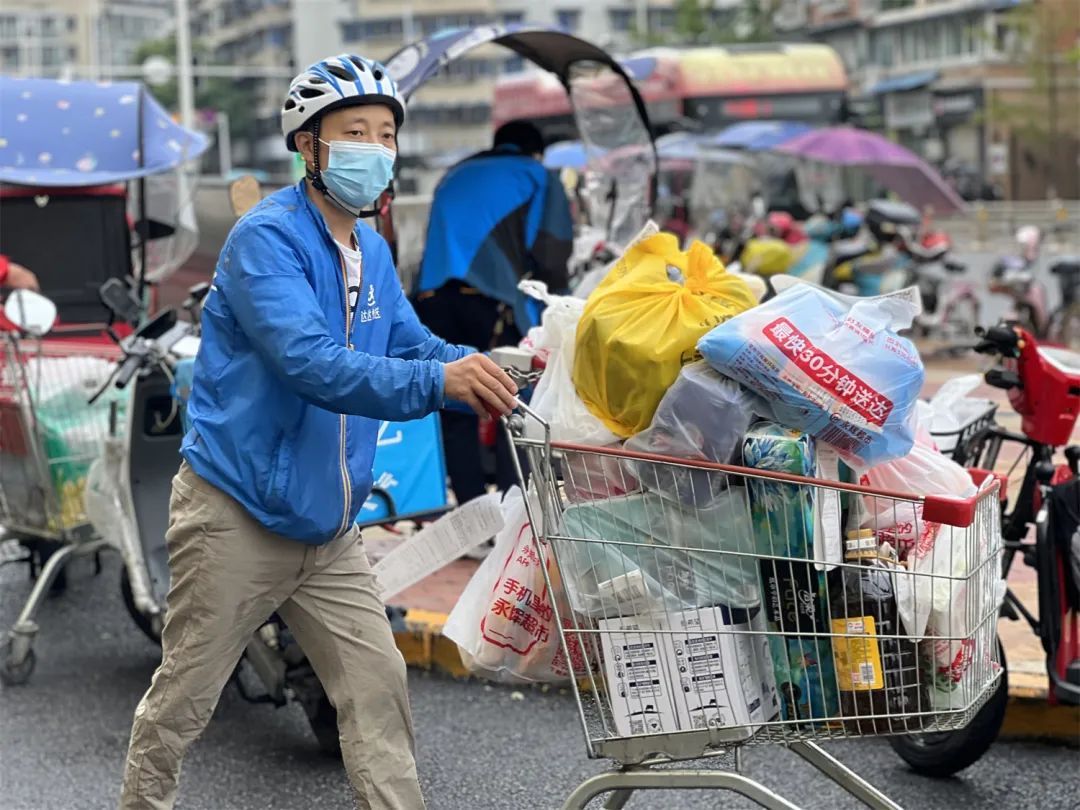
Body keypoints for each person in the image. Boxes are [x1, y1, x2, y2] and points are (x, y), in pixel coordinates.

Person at [118, 54, 518, 810]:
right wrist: (441, 384)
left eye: (387, 133)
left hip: (328, 528)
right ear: (309, 146)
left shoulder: (370, 248)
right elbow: (311, 363)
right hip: (237, 515)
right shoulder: (265, 240)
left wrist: (498, 373)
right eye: (355, 132)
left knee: (377, 691)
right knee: (184, 701)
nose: (376, 147)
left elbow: (412, 345)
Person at [413, 119, 572, 508]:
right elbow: (551, 251)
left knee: (454, 404)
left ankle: (470, 514)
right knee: (509, 401)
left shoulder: (455, 174)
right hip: (494, 302)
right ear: (536, 152)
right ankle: (509, 510)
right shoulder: (538, 176)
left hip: (432, 301)